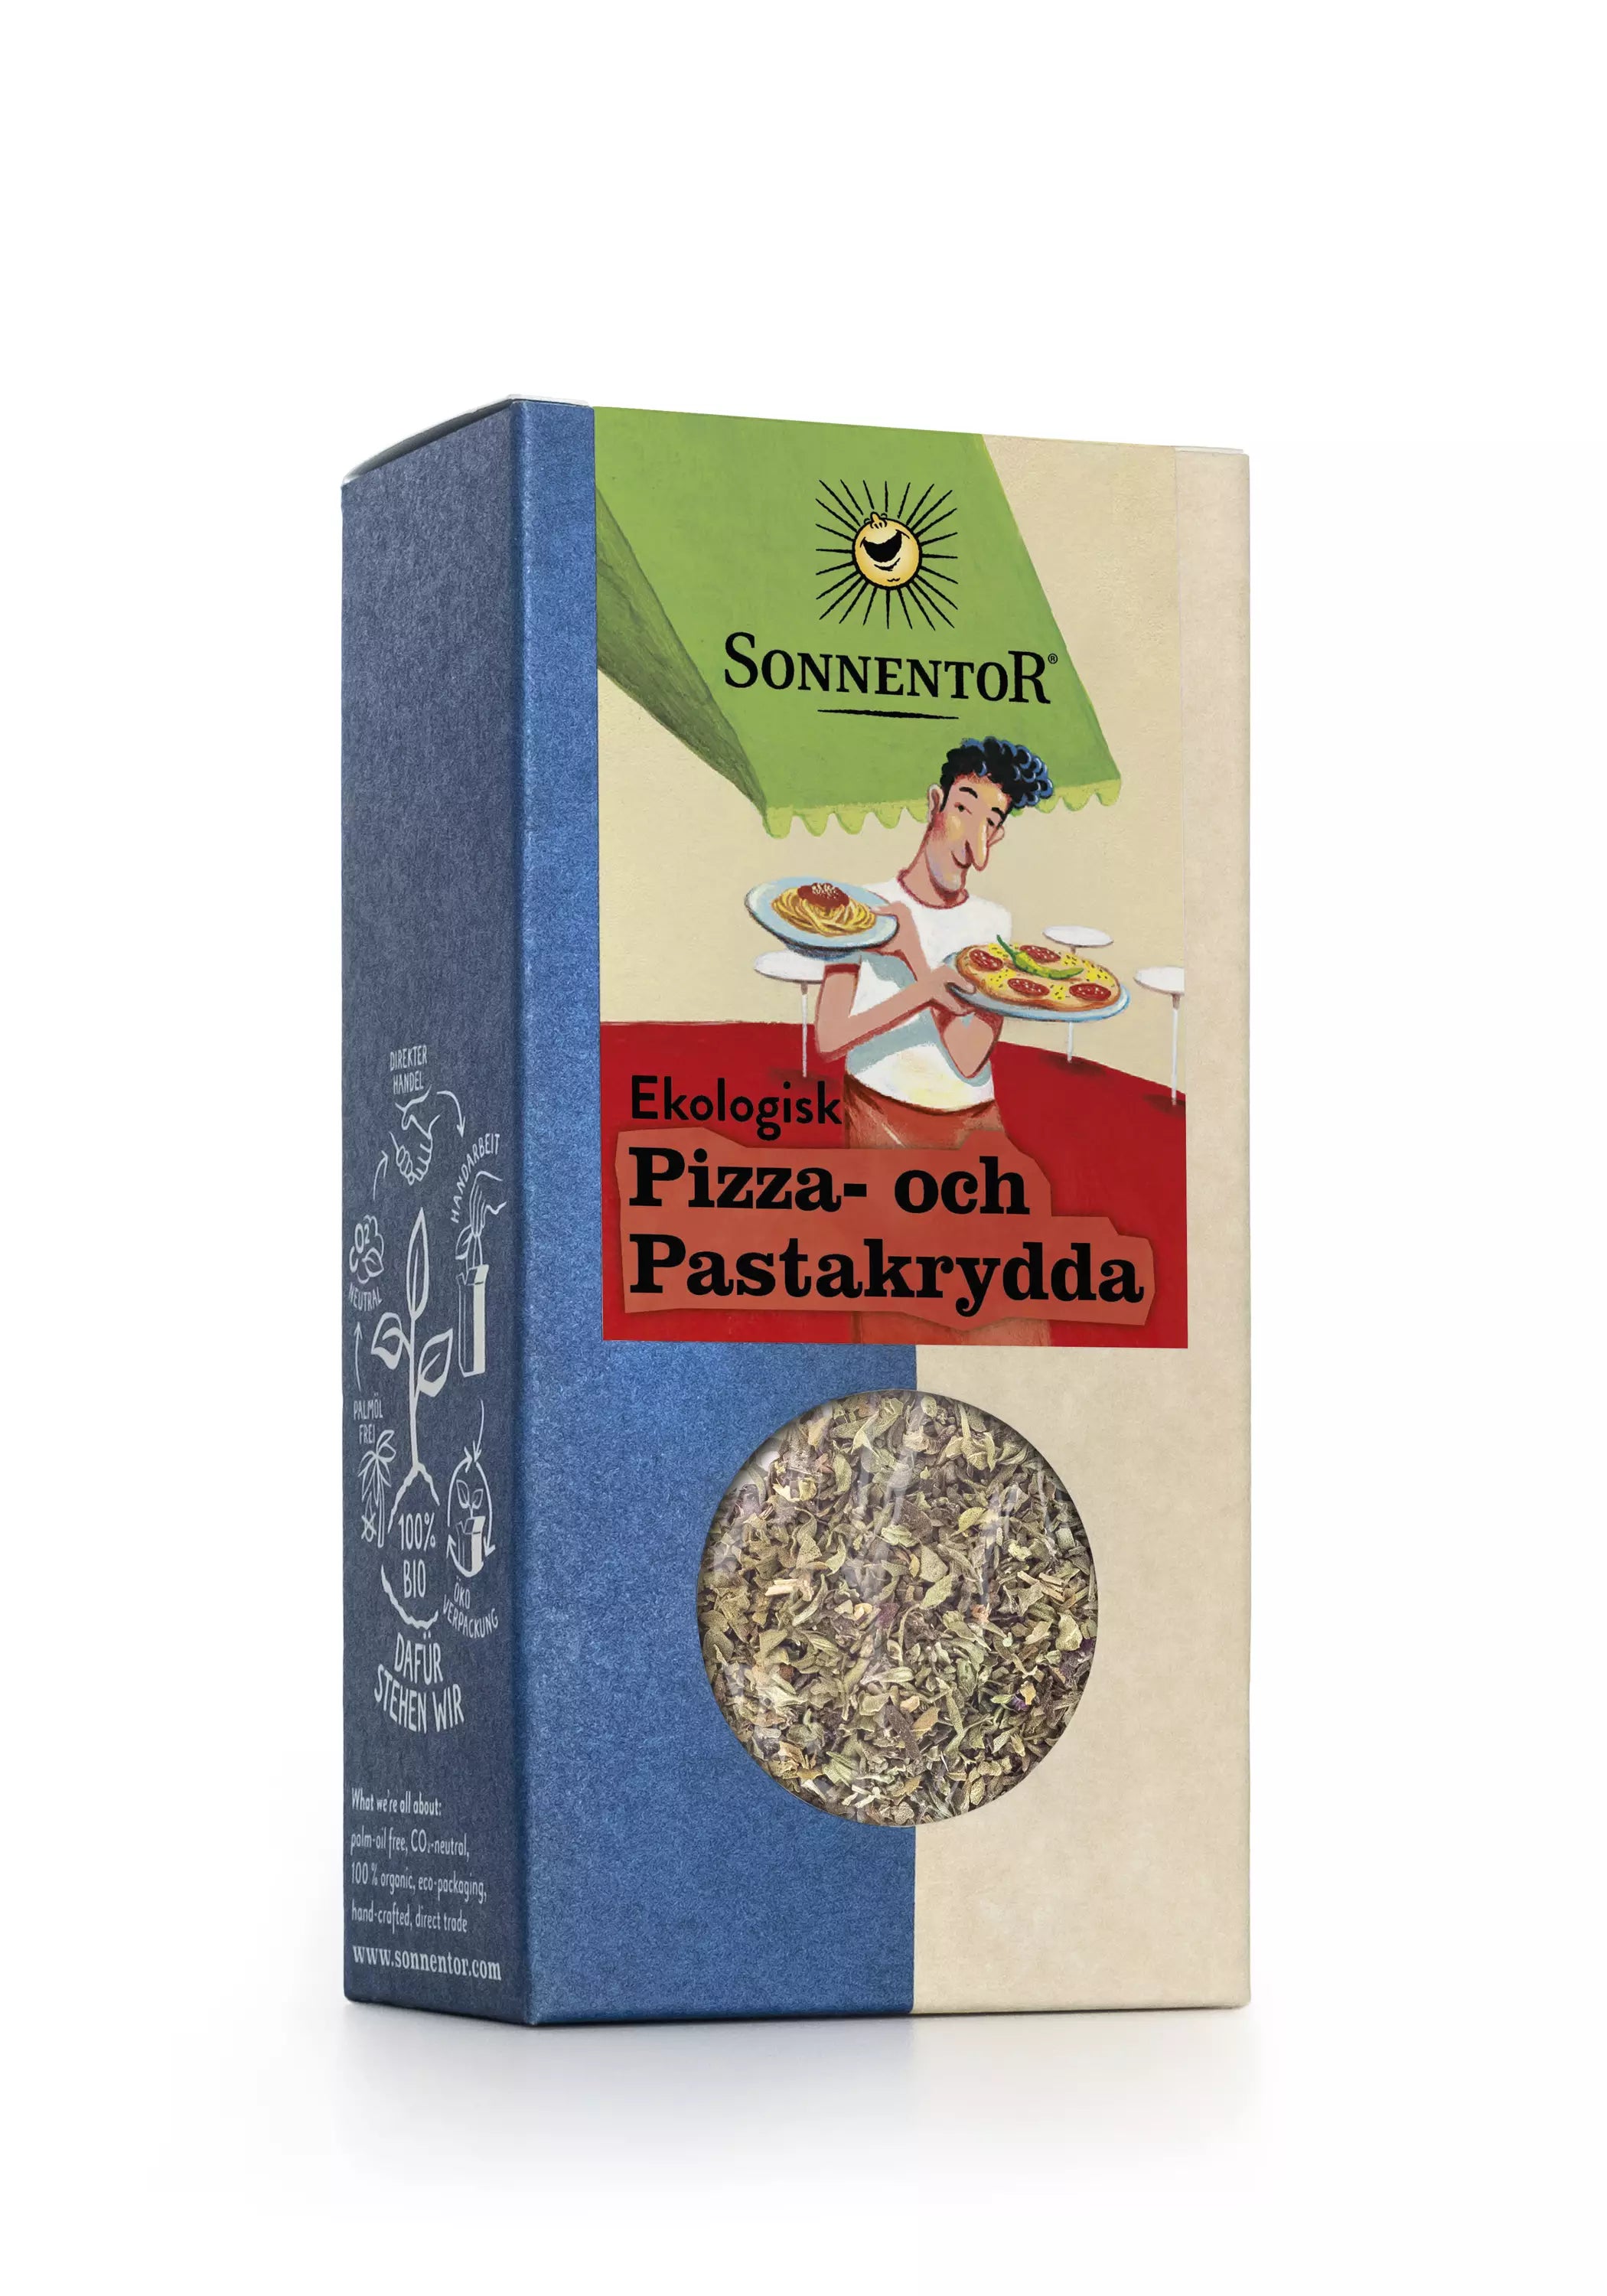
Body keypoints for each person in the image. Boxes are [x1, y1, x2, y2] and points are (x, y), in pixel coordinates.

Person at [812, 735, 1054, 1345]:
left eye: (990, 820)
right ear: (934, 803)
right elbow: (829, 1038)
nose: (972, 832)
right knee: (902, 1306)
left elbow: (969, 1056)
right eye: (965, 805)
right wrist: (920, 983)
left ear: (997, 836)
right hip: (881, 1122)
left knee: (1007, 1311)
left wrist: (915, 959)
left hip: (975, 1126)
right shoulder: (864, 907)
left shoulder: (994, 926)